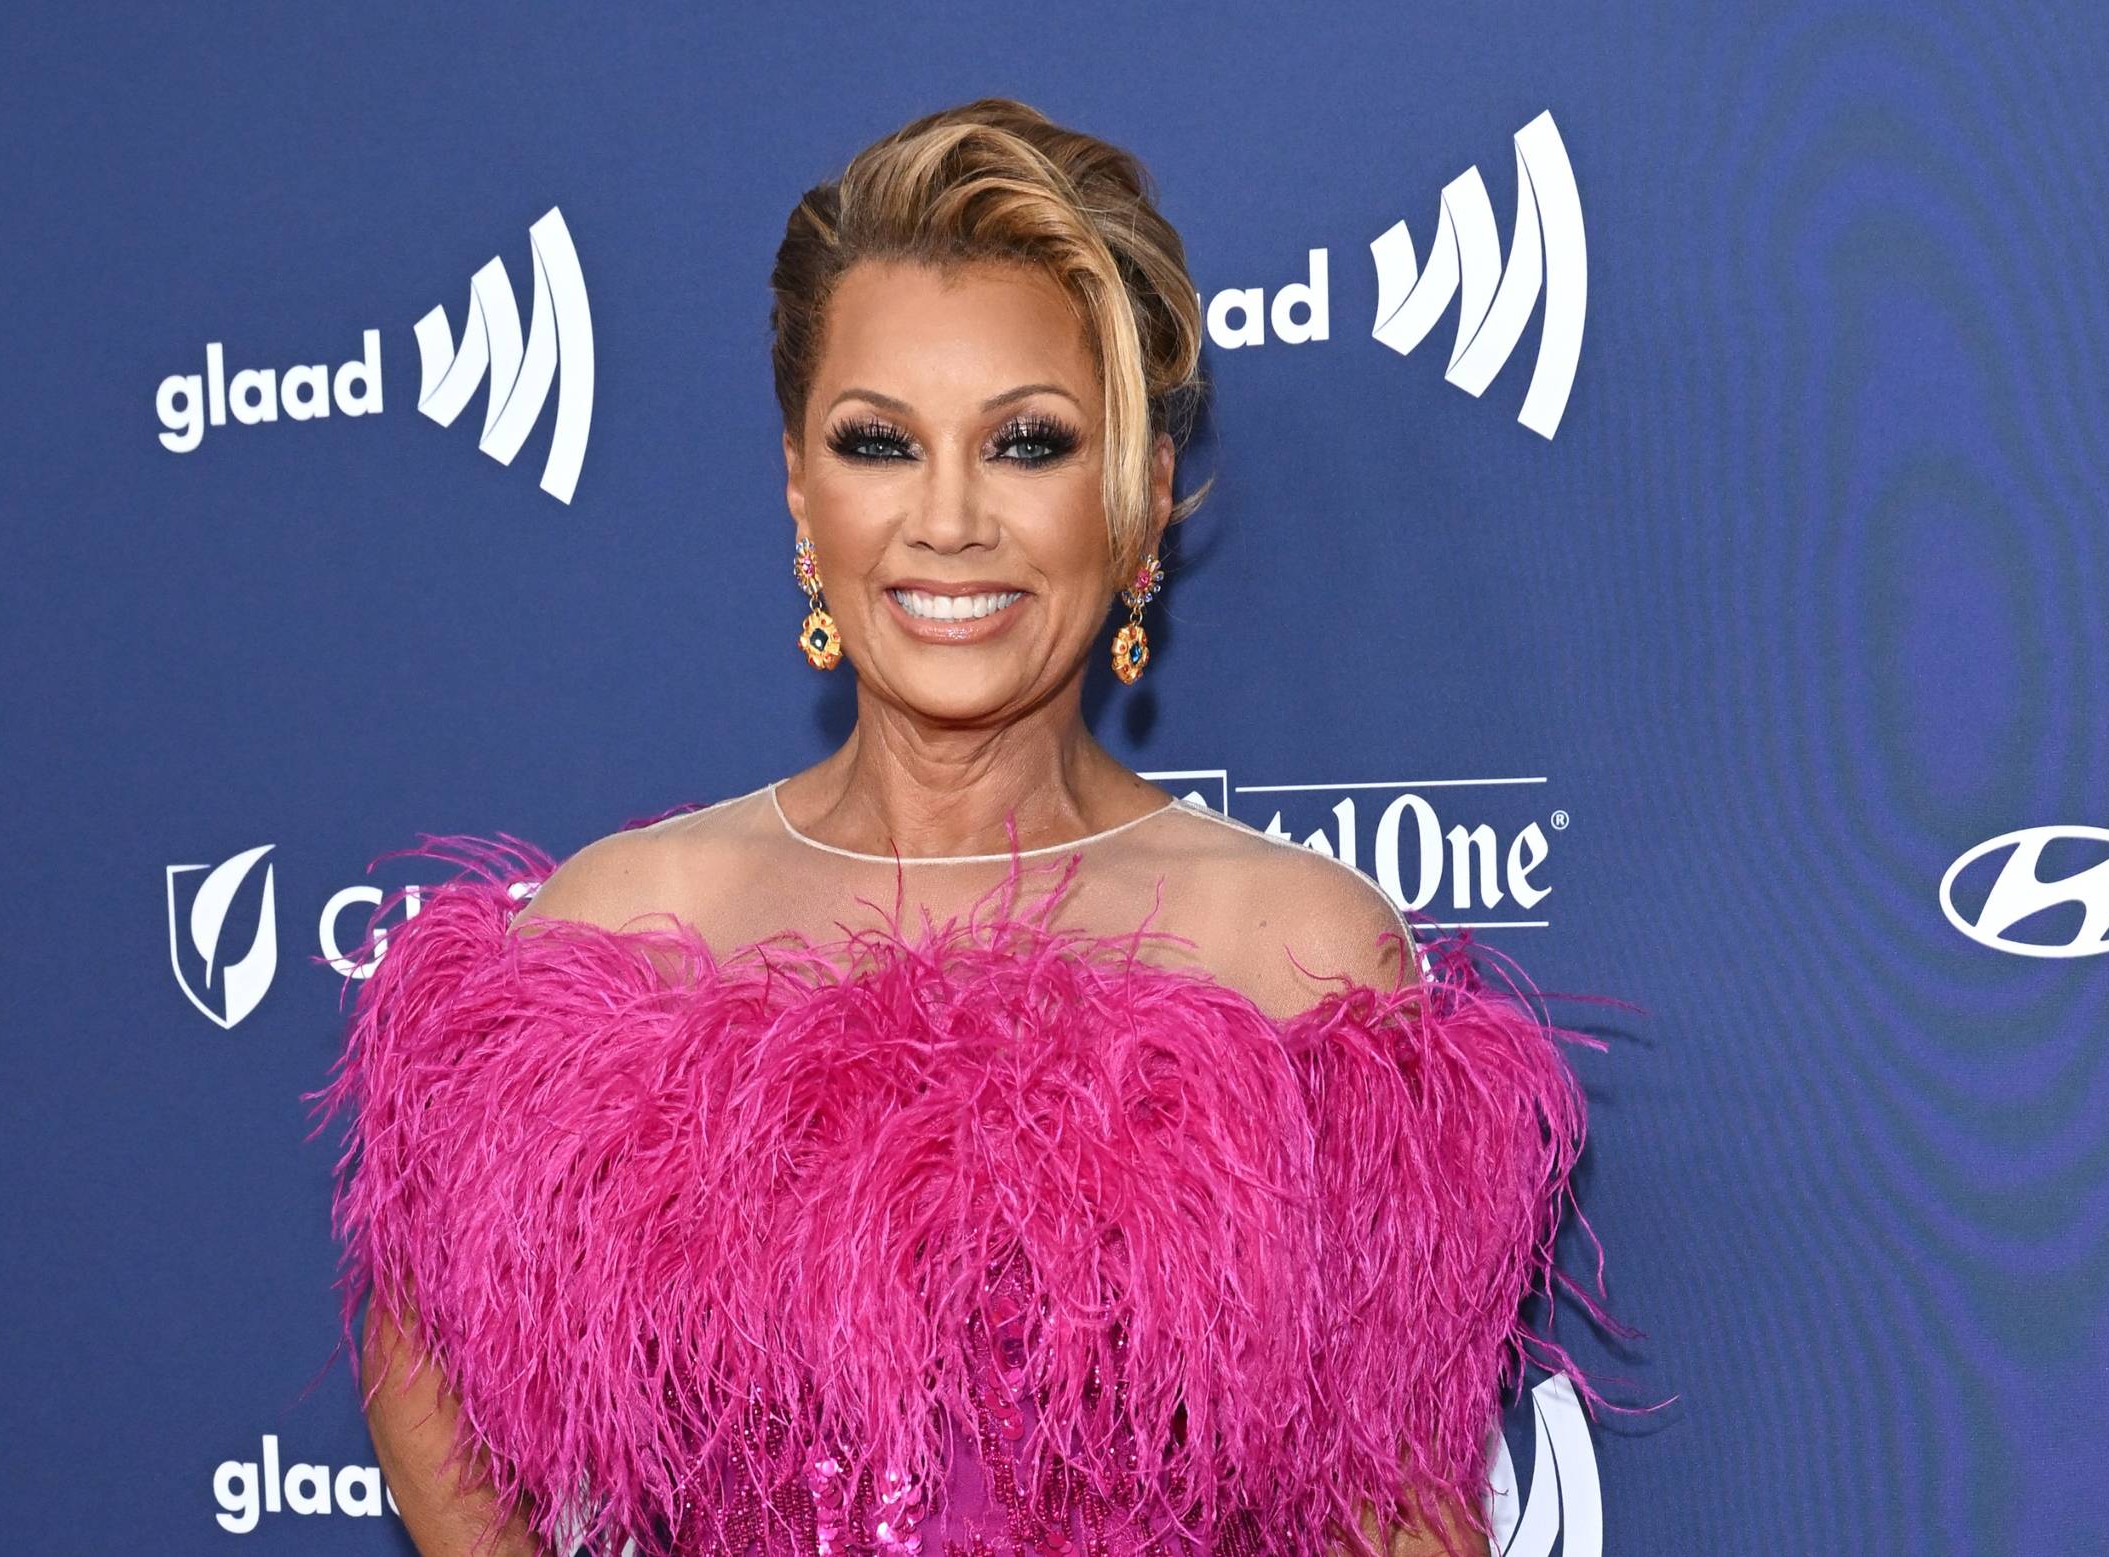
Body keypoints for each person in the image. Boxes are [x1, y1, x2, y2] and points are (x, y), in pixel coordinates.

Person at [313, 97, 1610, 1557]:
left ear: (1141, 497)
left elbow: (1402, 1519)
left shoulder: (1296, 960)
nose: (947, 520)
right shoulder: (617, 939)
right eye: (879, 443)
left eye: (1027, 442)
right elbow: (420, 1373)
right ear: (801, 490)